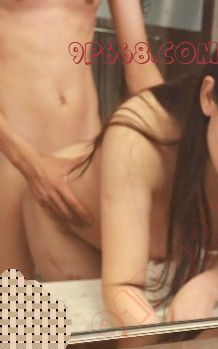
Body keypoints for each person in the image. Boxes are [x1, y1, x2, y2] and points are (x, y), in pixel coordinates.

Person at [22, 22, 218, 327]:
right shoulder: (136, 141)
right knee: (100, 343)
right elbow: (123, 287)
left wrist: (206, 288)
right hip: (69, 222)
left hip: (151, 245)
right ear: (209, 96)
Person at [0, 0, 161, 275]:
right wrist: (30, 165)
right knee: (16, 293)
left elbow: (139, 65)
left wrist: (180, 142)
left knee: (93, 292)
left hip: (83, 151)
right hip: (11, 154)